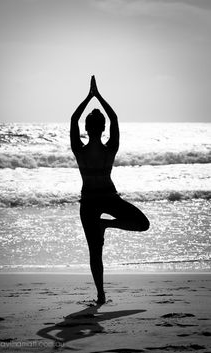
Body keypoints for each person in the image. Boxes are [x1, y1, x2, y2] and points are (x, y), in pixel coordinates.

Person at [70, 76, 150, 304]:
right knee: (142, 224)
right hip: (108, 198)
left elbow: (74, 118)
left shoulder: (80, 150)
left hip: (90, 202)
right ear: (103, 128)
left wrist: (89, 97)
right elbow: (114, 117)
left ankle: (101, 295)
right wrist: (98, 96)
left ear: (86, 128)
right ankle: (107, 225)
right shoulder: (110, 148)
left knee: (95, 252)